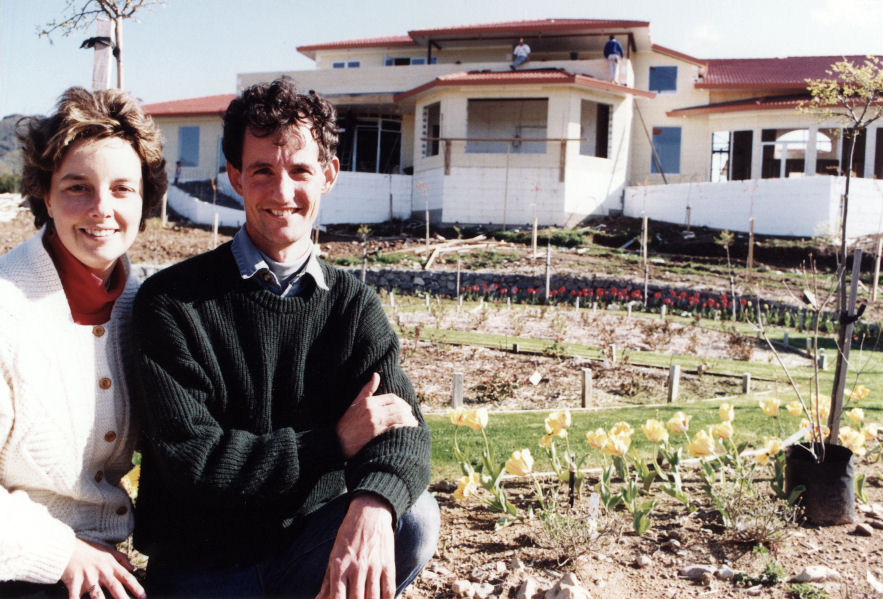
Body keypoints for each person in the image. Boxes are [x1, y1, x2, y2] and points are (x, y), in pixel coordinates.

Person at [131, 77, 439, 599]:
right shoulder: (173, 301)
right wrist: (335, 442)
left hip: (306, 553)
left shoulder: (351, 307)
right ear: (233, 177)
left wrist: (373, 504)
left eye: (300, 170)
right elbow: (195, 461)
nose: (281, 192)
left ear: (328, 175)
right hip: (202, 567)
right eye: (262, 171)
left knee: (412, 516)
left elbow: (403, 427)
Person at [0, 87, 167, 599]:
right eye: (77, 187)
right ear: (45, 195)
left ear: (144, 200)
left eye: (122, 188)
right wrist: (62, 552)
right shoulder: (6, 308)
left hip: (106, 567)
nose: (102, 209)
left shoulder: (150, 307)